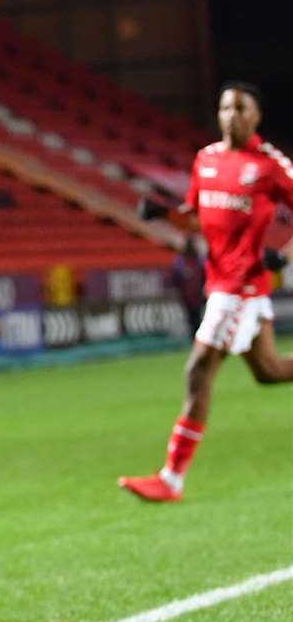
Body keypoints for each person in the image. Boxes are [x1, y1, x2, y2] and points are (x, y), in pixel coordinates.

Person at [118, 82, 293, 502]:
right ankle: (171, 480)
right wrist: (164, 214)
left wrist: (284, 257)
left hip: (240, 286)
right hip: (219, 281)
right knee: (268, 371)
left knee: (198, 369)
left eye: (240, 107)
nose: (231, 114)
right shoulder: (206, 160)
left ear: (256, 116)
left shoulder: (269, 164)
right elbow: (198, 220)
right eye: (225, 107)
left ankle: (171, 479)